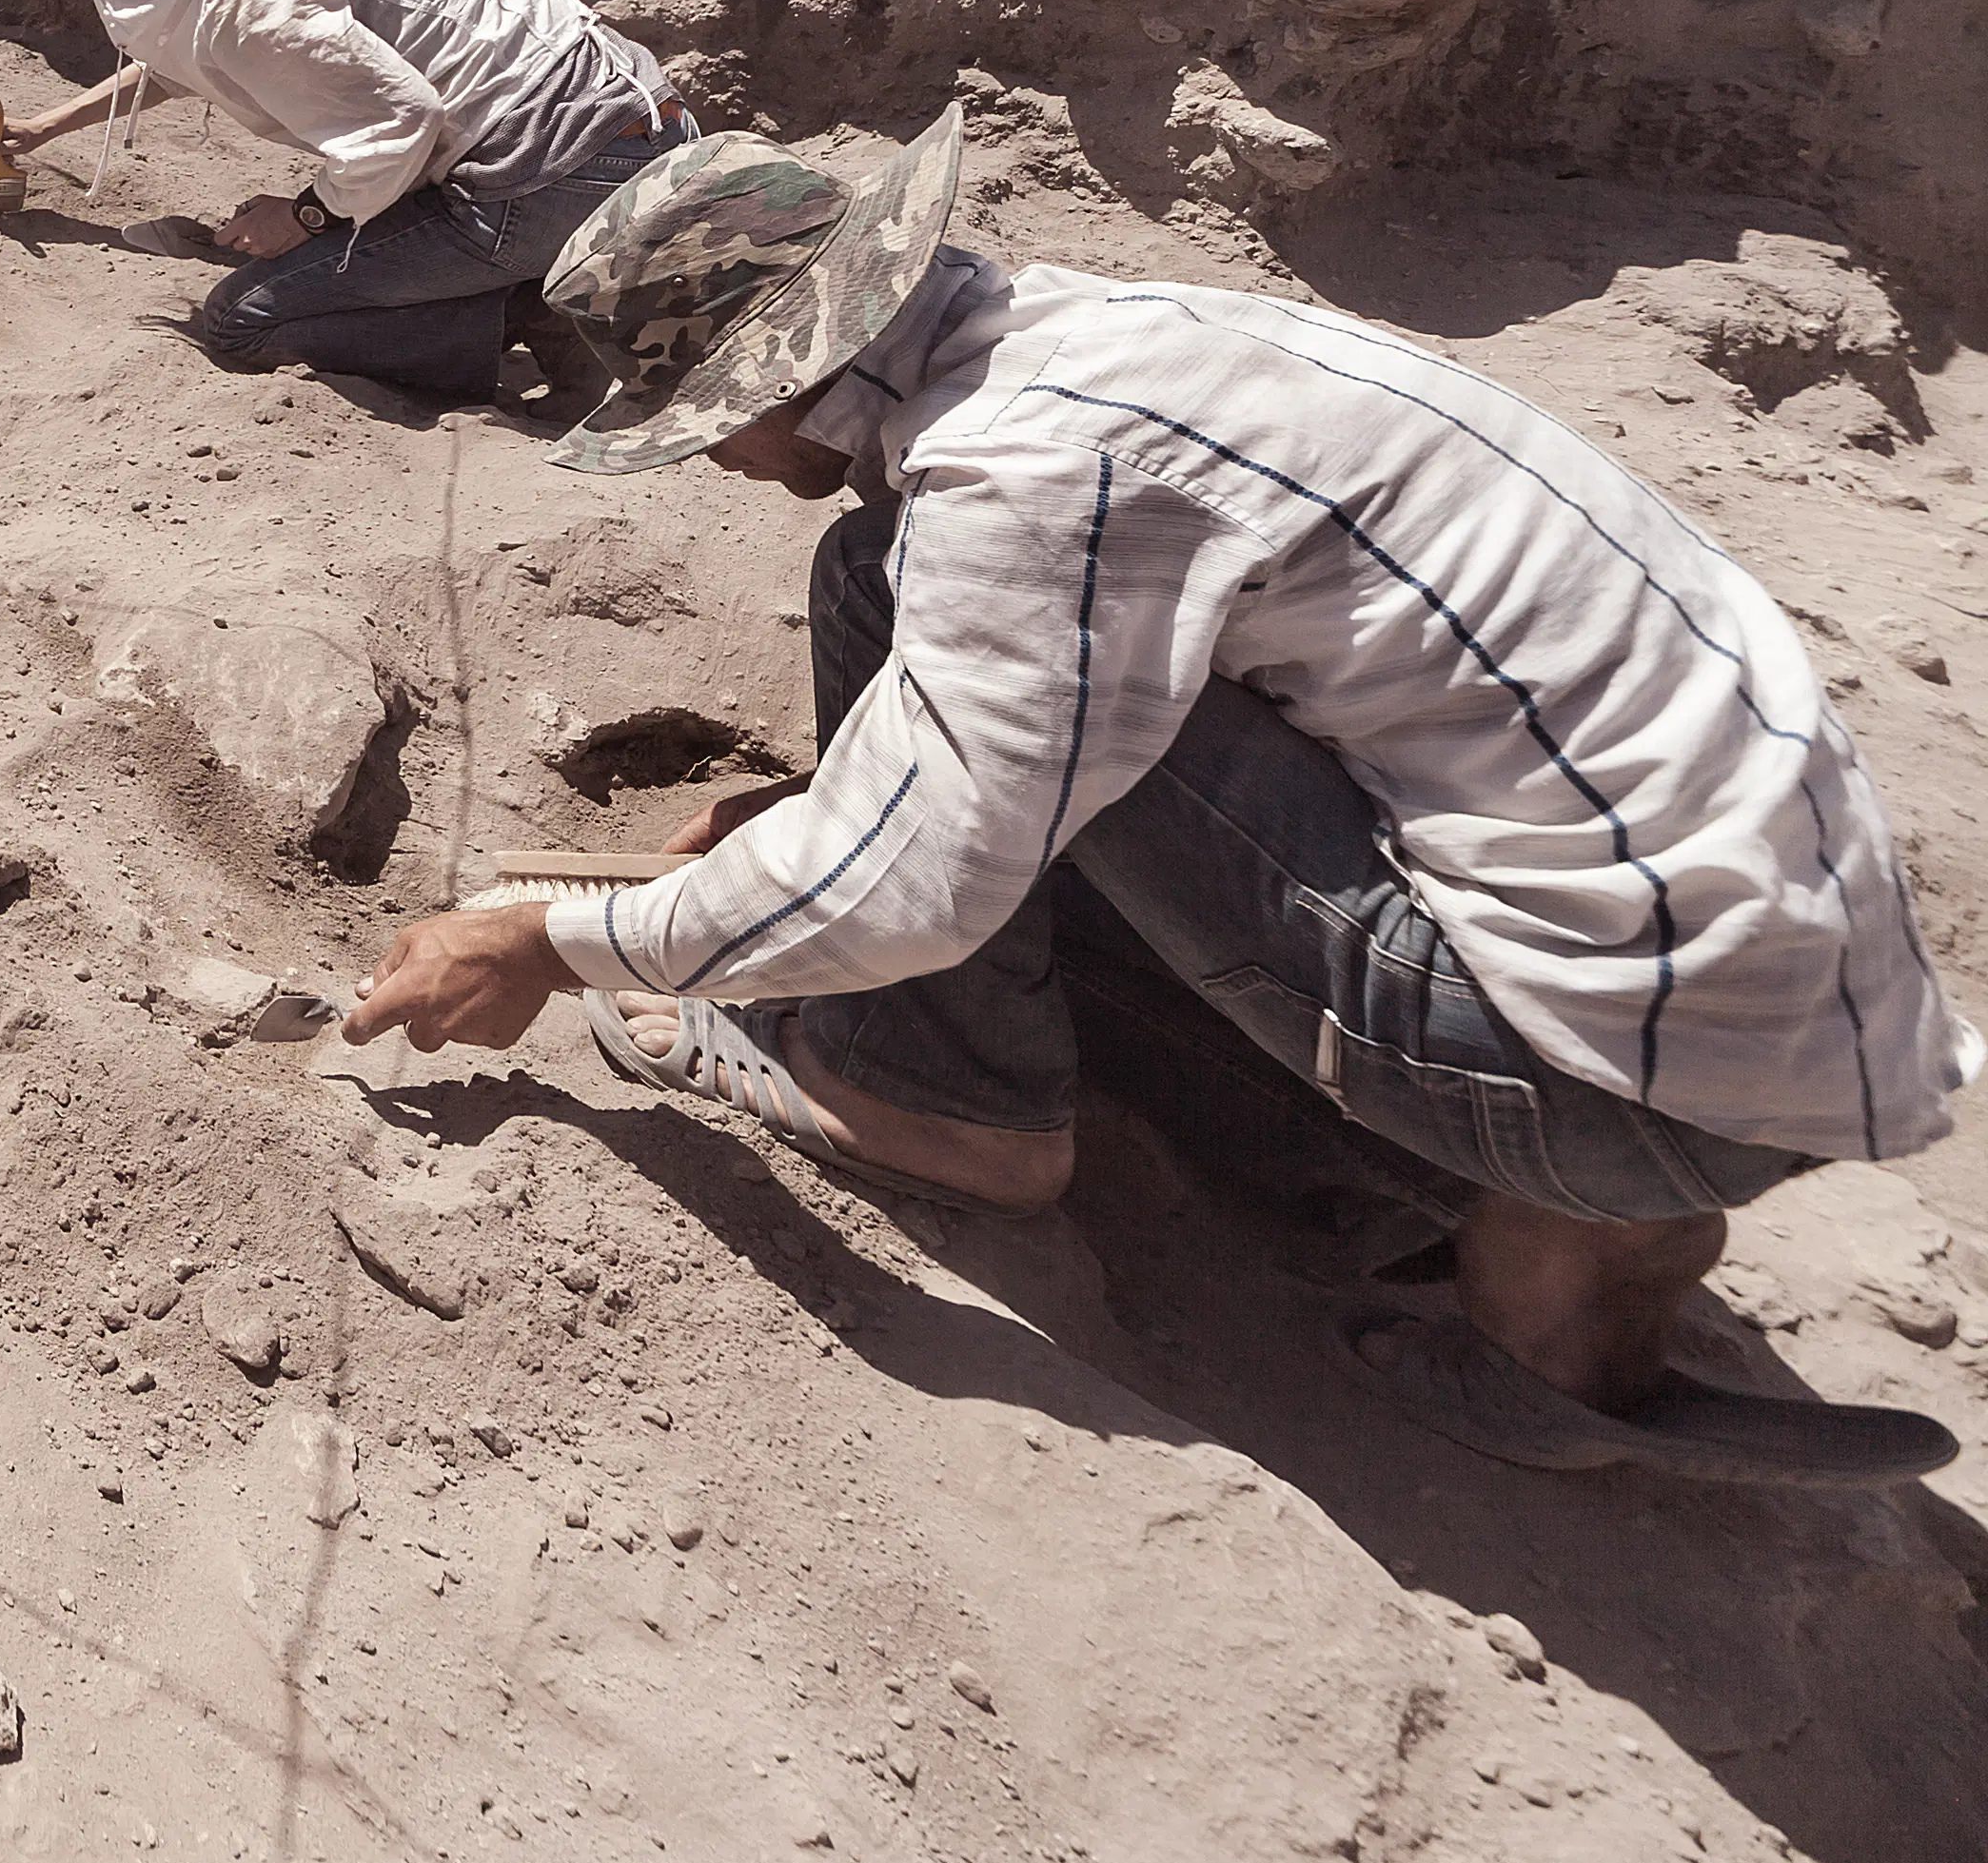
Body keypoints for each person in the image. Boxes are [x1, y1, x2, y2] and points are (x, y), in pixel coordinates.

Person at [343, 111, 1977, 1488]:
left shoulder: (1030, 479)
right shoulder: (1113, 337)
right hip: (1779, 1012)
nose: (706, 459)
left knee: (934, 641)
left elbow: (914, 881)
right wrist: (825, 793)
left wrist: (559, 945)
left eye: (697, 422)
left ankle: (946, 1102)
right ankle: (1510, 1226)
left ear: (776, 382)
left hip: (1608, 1084)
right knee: (920, 594)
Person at [0, 0, 688, 411]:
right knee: (350, 223)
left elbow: (399, 124)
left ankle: (522, 306)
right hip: (628, 122)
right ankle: (523, 280)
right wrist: (49, 127)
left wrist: (303, 216)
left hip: (543, 177)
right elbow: (194, 57)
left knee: (241, 320)